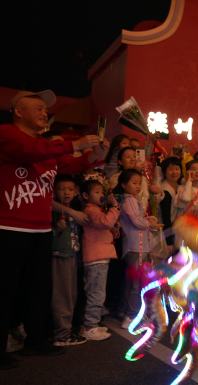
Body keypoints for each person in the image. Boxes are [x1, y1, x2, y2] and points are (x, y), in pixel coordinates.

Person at [0, 90, 103, 369]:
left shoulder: (45, 148)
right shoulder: (8, 134)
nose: (44, 112)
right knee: (6, 288)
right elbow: (32, 151)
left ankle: (36, 340)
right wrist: (76, 143)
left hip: (40, 230)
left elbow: (71, 164)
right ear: (18, 111)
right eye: (37, 108)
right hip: (9, 227)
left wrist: (94, 151)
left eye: (45, 109)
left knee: (38, 289)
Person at [116, 169, 159, 329]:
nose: (138, 186)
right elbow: (136, 221)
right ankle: (131, 316)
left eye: (139, 183)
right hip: (137, 247)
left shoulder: (129, 200)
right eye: (134, 183)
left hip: (137, 246)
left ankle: (125, 311)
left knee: (132, 282)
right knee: (136, 283)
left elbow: (137, 219)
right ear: (123, 184)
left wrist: (147, 219)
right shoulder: (129, 200)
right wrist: (149, 223)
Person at [80, 180, 120, 341]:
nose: (101, 195)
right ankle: (90, 326)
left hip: (100, 257)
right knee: (96, 293)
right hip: (95, 258)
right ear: (85, 195)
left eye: (101, 192)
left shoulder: (96, 210)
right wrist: (114, 207)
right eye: (96, 192)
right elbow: (106, 222)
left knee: (97, 292)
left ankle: (93, 323)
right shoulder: (90, 210)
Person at [50, 175, 87, 347]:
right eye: (62, 189)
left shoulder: (75, 209)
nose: (66, 192)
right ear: (54, 191)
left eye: (70, 189)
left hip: (72, 256)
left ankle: (66, 330)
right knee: (62, 295)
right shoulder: (54, 211)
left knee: (71, 294)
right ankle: (61, 334)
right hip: (60, 256)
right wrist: (57, 229)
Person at [159, 156, 182, 244]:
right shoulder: (163, 189)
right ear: (164, 172)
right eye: (171, 169)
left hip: (178, 229)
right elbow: (165, 217)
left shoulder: (181, 187)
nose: (174, 172)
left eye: (177, 169)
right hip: (166, 230)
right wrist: (169, 238)